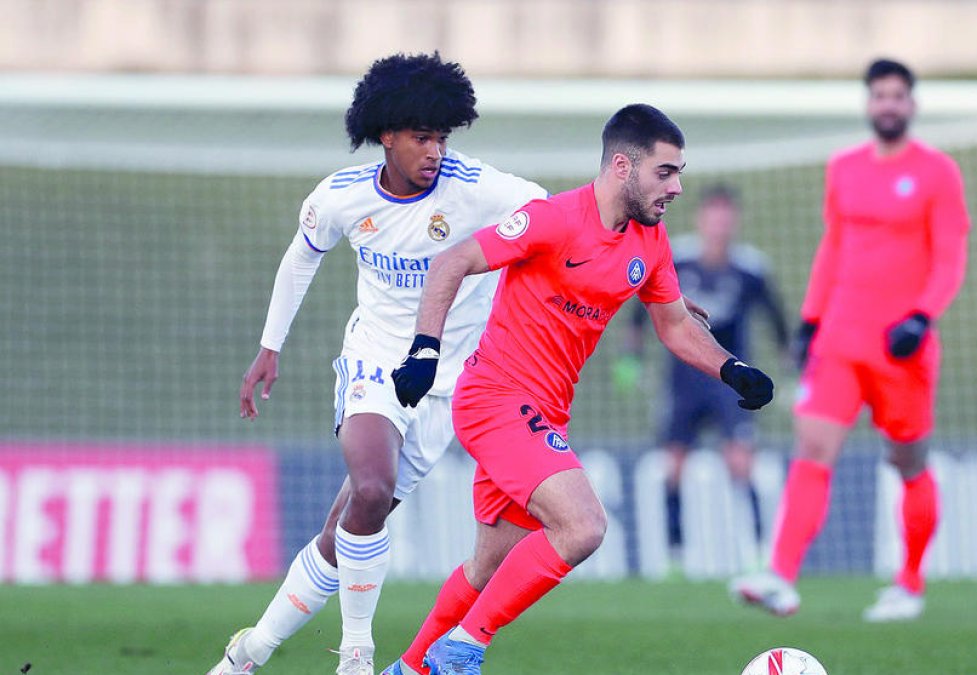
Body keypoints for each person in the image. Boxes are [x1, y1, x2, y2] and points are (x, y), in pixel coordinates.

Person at [379, 104, 775, 675]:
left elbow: (675, 323)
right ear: (622, 165)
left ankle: (409, 668)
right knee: (583, 526)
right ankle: (462, 650)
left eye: (680, 172)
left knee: (487, 570)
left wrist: (732, 369)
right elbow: (453, 260)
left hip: (543, 413)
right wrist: (425, 348)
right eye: (665, 172)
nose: (678, 187)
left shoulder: (651, 241)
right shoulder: (553, 220)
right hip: (496, 399)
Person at [208, 52, 548, 675]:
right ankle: (357, 655)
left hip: (450, 388)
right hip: (375, 362)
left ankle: (248, 653)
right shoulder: (341, 198)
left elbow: (560, 223)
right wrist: (269, 346)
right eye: (422, 137)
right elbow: (300, 258)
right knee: (371, 487)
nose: (435, 150)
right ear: (385, 135)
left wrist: (648, 280)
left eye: (442, 137)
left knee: (347, 528)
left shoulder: (478, 189)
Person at [730, 58, 970, 622]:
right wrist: (810, 323)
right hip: (840, 338)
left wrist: (922, 317)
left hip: (902, 346)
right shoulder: (843, 168)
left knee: (908, 460)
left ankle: (909, 583)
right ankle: (780, 577)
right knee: (812, 450)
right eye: (879, 95)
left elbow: (951, 256)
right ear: (869, 104)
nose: (888, 104)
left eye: (897, 96)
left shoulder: (937, 173)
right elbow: (833, 248)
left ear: (911, 105)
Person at [618, 184, 788, 560]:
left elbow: (776, 319)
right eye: (714, 217)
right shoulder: (678, 258)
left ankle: (760, 551)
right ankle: (675, 553)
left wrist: (790, 364)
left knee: (741, 462)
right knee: (674, 465)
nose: (720, 225)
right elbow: (640, 302)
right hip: (684, 379)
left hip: (732, 377)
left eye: (726, 217)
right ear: (702, 220)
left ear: (735, 221)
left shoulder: (750, 268)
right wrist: (631, 355)